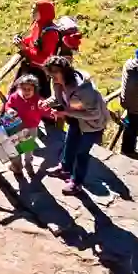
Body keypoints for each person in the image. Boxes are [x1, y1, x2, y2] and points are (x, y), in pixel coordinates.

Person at [44, 56, 108, 194]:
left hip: (92, 125)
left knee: (81, 153)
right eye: (49, 74)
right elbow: (60, 97)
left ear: (64, 72)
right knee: (70, 142)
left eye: (54, 73)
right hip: (76, 120)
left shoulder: (83, 89)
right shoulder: (58, 82)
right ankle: (65, 169)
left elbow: (94, 114)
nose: (51, 77)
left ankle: (76, 183)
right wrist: (47, 102)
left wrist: (65, 113)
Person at [2, 75, 52, 178]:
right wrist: (9, 110)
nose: (26, 91)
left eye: (29, 89)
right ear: (20, 88)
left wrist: (49, 111)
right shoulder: (15, 96)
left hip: (31, 128)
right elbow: (8, 105)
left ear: (35, 89)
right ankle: (17, 166)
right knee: (15, 147)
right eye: (24, 89)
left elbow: (46, 112)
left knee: (28, 147)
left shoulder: (38, 100)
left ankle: (28, 162)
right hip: (17, 126)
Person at [12, 0, 61, 96]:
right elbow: (32, 40)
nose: (32, 11)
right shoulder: (37, 24)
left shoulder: (50, 33)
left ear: (44, 12)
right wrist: (22, 42)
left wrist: (25, 49)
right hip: (30, 68)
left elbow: (44, 59)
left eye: (35, 9)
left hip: (40, 74)